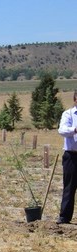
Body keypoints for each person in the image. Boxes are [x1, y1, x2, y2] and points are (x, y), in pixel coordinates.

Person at [57, 90, 77, 224]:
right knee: (69, 187)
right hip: (72, 156)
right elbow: (62, 130)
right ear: (75, 99)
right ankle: (65, 217)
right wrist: (74, 130)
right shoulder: (68, 114)